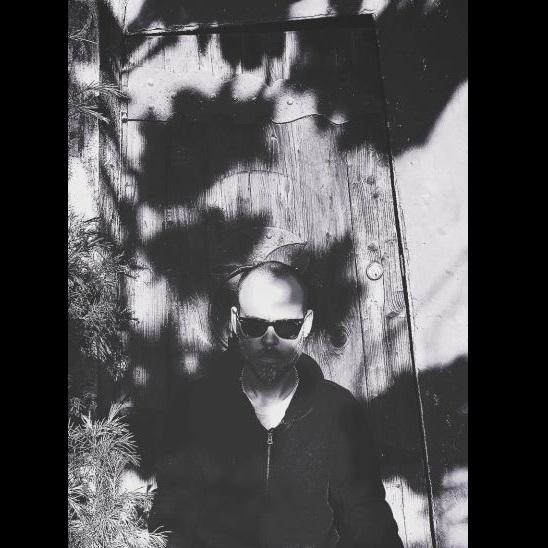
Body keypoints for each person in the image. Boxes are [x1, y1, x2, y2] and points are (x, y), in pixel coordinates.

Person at [149, 261, 404, 548]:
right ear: (235, 322)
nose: (269, 339)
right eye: (255, 325)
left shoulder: (337, 409)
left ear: (306, 324)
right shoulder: (195, 405)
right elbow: (172, 519)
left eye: (287, 327)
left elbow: (369, 518)